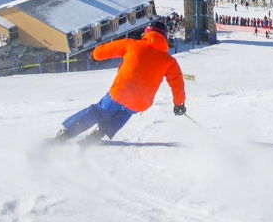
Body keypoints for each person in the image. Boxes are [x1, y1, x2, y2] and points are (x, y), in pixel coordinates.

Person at [54, 18, 186, 143]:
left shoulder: (133, 45)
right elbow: (178, 84)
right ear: (164, 38)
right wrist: (179, 104)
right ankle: (101, 132)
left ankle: (68, 132)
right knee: (126, 112)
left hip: (121, 92)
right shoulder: (170, 61)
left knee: (101, 110)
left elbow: (109, 49)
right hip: (142, 101)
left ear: (147, 33)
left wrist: (95, 55)